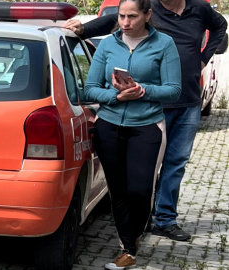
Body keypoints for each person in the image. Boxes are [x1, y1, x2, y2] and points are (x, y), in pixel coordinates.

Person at [65, 0, 226, 242]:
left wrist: (202, 58)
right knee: (140, 174)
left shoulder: (199, 9)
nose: (126, 22)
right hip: (147, 106)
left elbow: (220, 26)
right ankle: (142, 218)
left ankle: (164, 219)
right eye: (124, 17)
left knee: (176, 162)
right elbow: (117, 20)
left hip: (187, 99)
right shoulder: (148, 7)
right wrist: (85, 29)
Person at [83, 0, 181, 270]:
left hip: (147, 125)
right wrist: (115, 96)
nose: (125, 22)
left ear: (147, 15)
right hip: (110, 124)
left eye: (132, 16)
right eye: (122, 16)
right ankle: (128, 247)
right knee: (118, 191)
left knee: (139, 189)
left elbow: (173, 90)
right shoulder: (107, 44)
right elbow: (90, 89)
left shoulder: (164, 44)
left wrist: (142, 90)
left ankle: (135, 232)